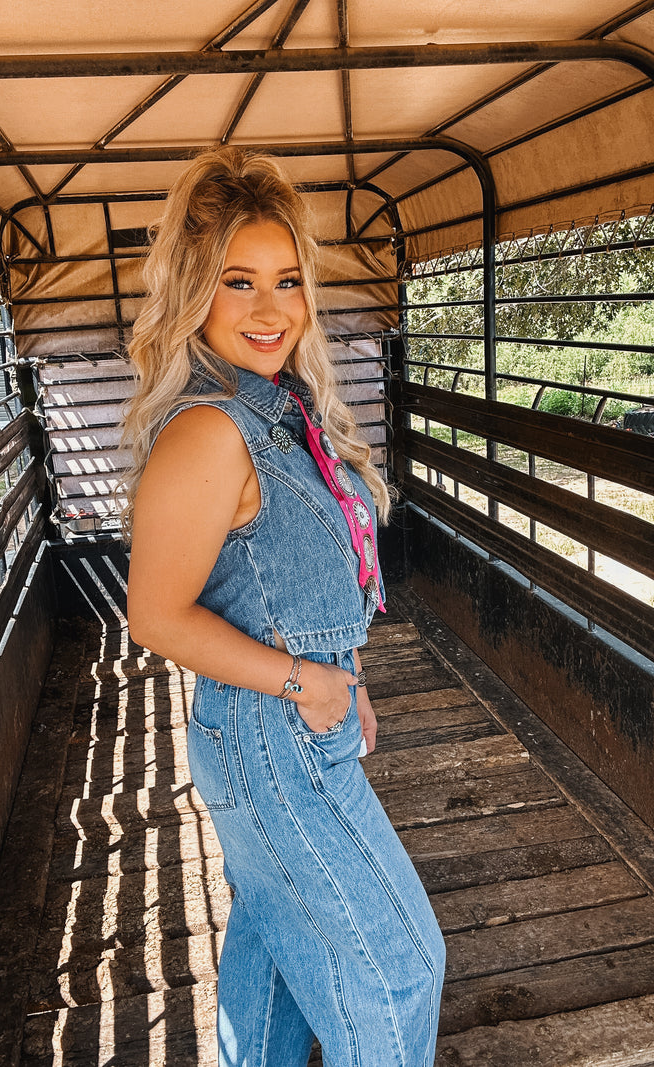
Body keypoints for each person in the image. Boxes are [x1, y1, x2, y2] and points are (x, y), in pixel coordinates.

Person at [123, 147, 445, 1067]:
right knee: (399, 970)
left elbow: (302, 578)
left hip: (288, 720)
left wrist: (348, 675)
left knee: (272, 957)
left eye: (287, 281)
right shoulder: (211, 430)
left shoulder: (275, 408)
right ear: (196, 291)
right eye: (239, 282)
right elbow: (155, 615)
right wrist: (308, 681)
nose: (271, 309)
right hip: (274, 733)